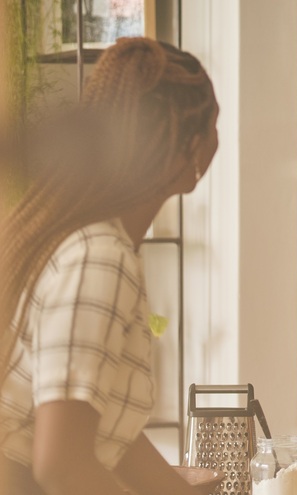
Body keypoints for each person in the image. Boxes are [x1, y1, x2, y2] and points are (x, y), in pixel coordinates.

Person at [0, 37, 219, 495]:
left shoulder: (89, 240)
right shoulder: (100, 257)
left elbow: (108, 437)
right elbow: (60, 465)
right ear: (190, 148)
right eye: (214, 124)